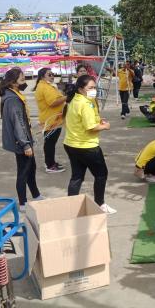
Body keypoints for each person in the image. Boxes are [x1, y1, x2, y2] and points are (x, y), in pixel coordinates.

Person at [63, 75, 116, 214]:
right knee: (101, 174)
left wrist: (98, 120)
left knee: (77, 176)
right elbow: (90, 127)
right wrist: (105, 126)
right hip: (86, 146)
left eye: (95, 87)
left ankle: (71, 206)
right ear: (81, 89)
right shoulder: (85, 103)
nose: (94, 90)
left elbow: (85, 121)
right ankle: (100, 204)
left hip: (71, 144)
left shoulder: (75, 99)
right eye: (90, 88)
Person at [0, 68, 44, 211]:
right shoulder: (12, 99)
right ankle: (23, 202)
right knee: (23, 171)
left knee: (31, 168)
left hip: (24, 139)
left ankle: (36, 195)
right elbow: (18, 123)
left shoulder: (13, 95)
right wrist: (25, 145)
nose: (25, 82)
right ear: (13, 82)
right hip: (21, 142)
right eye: (22, 79)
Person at [34, 68, 66, 173]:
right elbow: (52, 102)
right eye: (49, 74)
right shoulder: (44, 87)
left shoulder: (46, 86)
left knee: (51, 143)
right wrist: (66, 97)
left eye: (53, 74)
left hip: (53, 119)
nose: (52, 76)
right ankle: (50, 165)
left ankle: (51, 162)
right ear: (42, 76)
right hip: (51, 120)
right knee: (50, 143)